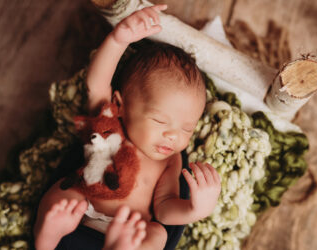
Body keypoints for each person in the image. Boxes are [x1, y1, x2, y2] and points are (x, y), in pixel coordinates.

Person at [34, 4, 221, 250]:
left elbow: (165, 209)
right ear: (119, 105)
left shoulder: (171, 160)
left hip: (131, 235)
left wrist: (196, 209)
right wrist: (117, 40)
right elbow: (97, 83)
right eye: (160, 121)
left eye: (188, 128)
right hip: (81, 215)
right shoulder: (110, 125)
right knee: (62, 194)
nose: (173, 135)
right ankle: (46, 240)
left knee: (158, 234)